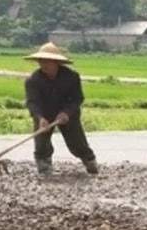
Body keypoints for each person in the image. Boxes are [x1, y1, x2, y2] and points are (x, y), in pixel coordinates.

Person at [24, 42, 98, 175]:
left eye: (47, 61)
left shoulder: (72, 77)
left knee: (77, 143)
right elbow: (32, 102)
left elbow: (77, 98)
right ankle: (44, 167)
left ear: (56, 62)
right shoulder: (32, 80)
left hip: (68, 113)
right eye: (41, 61)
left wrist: (66, 113)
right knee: (41, 143)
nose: (43, 64)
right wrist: (40, 118)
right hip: (44, 113)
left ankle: (90, 161)